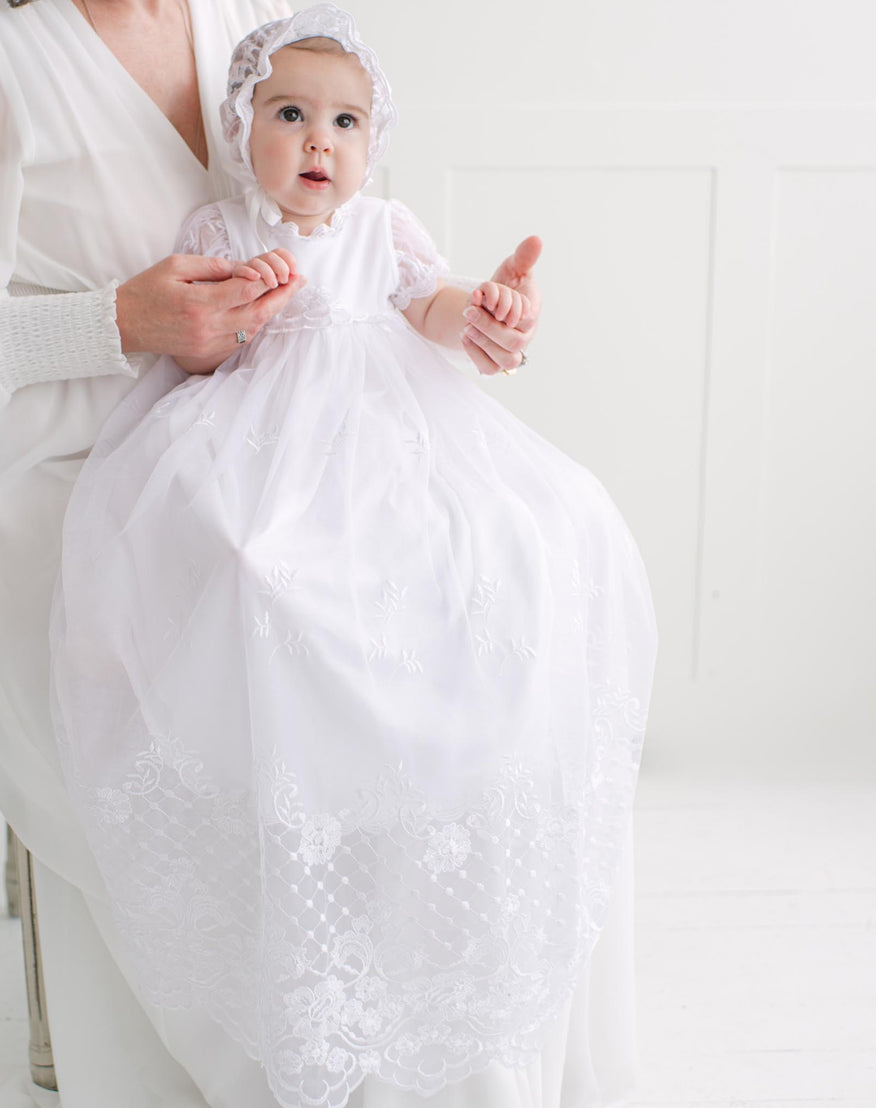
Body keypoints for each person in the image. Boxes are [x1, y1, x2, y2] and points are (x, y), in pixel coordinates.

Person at [0, 1, 593, 1106]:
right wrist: (117, 322)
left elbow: (377, 266)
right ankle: (297, 1048)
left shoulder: (260, 16)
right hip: (71, 446)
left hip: (298, 452)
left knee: (508, 582)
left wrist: (479, 318)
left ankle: (453, 1030)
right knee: (252, 614)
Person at [50, 6, 657, 1108]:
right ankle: (296, 773)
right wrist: (238, 318)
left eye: (345, 122)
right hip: (265, 435)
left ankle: (445, 761)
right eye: (289, 115)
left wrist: (484, 308)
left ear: (373, 144)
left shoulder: (383, 228)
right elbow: (196, 349)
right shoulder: (223, 227)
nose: (318, 141)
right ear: (245, 130)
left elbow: (432, 308)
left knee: (535, 521)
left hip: (392, 431)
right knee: (254, 555)